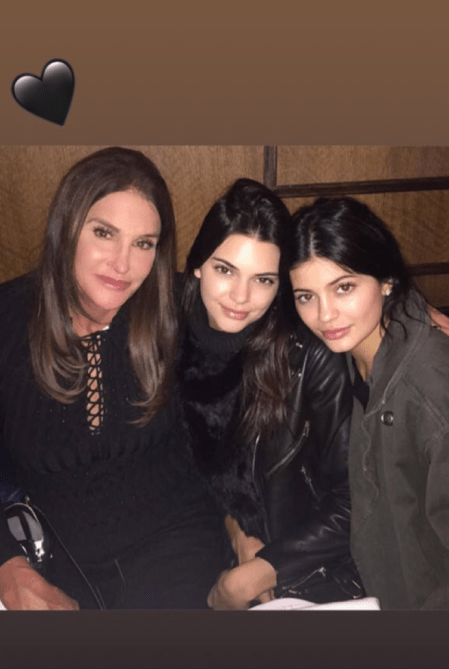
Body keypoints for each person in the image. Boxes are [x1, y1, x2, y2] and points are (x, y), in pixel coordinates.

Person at [0, 147, 225, 610]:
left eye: (144, 243)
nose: (122, 265)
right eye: (104, 233)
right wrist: (9, 567)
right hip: (54, 562)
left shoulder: (179, 308)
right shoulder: (7, 318)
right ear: (67, 227)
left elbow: (282, 325)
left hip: (177, 545)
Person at [175, 178, 364, 610]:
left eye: (263, 279)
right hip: (206, 540)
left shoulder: (308, 355)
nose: (241, 297)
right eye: (225, 270)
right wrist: (236, 531)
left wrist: (263, 569)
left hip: (308, 567)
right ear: (199, 264)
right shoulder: (169, 333)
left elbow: (355, 499)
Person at [288, 196, 449, 610]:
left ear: (386, 280)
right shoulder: (359, 346)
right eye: (305, 296)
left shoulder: (430, 389)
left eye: (343, 287)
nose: (325, 315)